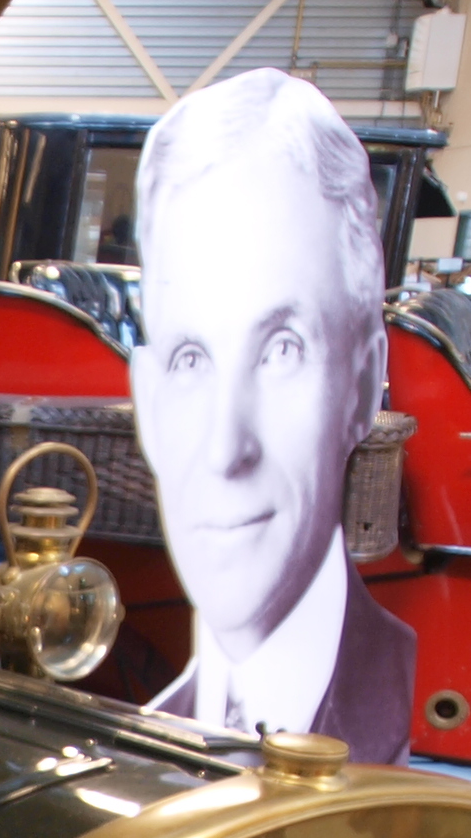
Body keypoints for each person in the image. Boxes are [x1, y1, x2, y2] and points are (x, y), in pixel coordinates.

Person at [127, 68, 417, 760]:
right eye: (191, 358)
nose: (227, 448)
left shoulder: (390, 735)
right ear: (147, 402)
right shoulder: (151, 739)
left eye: (280, 349)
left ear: (364, 379)